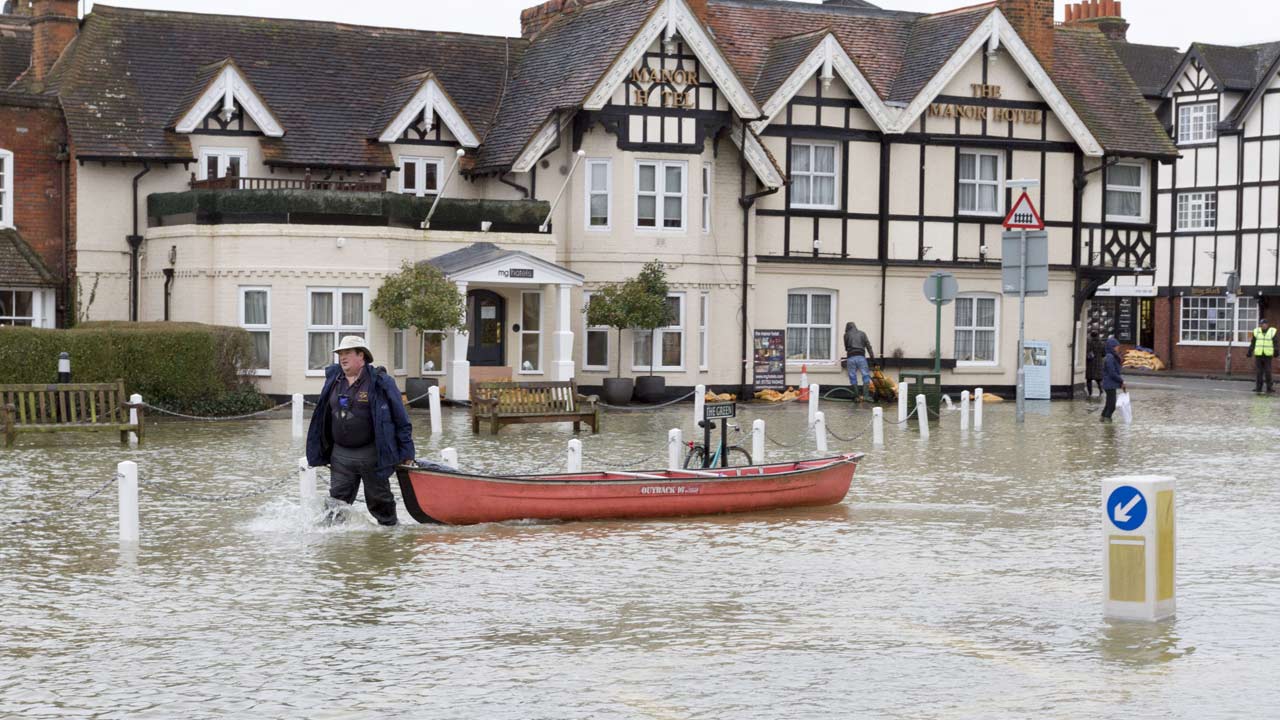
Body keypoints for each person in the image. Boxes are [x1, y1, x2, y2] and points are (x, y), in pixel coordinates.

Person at [306, 335, 415, 526]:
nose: (342, 357)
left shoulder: (381, 382)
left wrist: (407, 452)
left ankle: (388, 544)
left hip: (372, 455)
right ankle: (334, 549)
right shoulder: (333, 380)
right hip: (340, 455)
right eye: (340, 353)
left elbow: (401, 419)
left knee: (381, 503)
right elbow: (321, 416)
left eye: (348, 353)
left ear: (361, 356)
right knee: (335, 507)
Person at [843, 321, 875, 402]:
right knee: (865, 375)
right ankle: (866, 396)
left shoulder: (846, 335)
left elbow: (846, 348)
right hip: (861, 357)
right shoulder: (862, 334)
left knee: (852, 376)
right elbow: (868, 346)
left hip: (850, 358)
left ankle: (857, 397)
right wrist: (872, 359)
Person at [1100, 336, 1126, 423]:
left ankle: (1103, 419)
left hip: (1109, 384)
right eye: (1116, 346)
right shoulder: (1110, 357)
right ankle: (1107, 423)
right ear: (1112, 347)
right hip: (1109, 384)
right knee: (1112, 405)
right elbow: (1112, 372)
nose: (1118, 348)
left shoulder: (1110, 356)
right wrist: (1121, 381)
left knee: (1108, 404)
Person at [1246, 317, 1275, 394]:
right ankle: (1258, 387)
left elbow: (1275, 343)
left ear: (1267, 325)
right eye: (1262, 324)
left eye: (1265, 324)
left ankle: (1269, 387)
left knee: (1268, 372)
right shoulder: (1256, 332)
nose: (1263, 325)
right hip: (1258, 355)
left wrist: (1276, 351)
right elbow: (1253, 343)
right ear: (1260, 325)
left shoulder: (1272, 332)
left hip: (1267, 355)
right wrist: (1250, 351)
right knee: (1259, 372)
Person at [1085, 330, 1106, 398]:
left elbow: (1087, 351)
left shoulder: (1089, 342)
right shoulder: (1102, 343)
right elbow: (1104, 354)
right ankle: (1101, 390)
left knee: (1089, 379)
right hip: (1098, 363)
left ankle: (1090, 393)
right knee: (1099, 379)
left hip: (1090, 362)